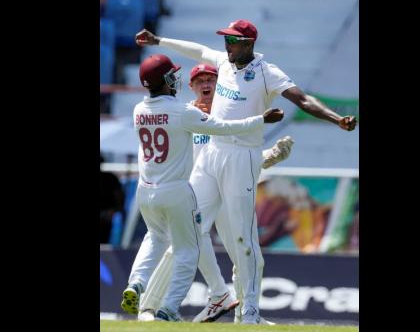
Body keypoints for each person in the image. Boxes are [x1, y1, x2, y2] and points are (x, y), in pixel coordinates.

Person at [134, 19, 356, 324]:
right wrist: (159, 41)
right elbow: (198, 50)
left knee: (243, 239)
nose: (227, 46)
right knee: (189, 229)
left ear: (249, 44)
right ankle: (163, 308)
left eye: (233, 41)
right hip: (212, 153)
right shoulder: (224, 62)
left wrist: (336, 119)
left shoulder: (268, 73)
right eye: (226, 40)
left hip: (242, 157)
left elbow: (302, 99)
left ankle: (249, 312)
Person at [121, 54, 284, 322]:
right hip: (190, 190)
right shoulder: (185, 112)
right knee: (187, 248)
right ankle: (162, 308)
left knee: (238, 250)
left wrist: (267, 157)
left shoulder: (141, 109)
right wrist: (260, 120)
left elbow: (232, 156)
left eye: (211, 78)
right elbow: (219, 134)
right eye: (200, 80)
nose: (205, 84)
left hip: (162, 189)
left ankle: (243, 311)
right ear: (191, 86)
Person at [100, 154, 125, 244]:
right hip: (107, 214)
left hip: (107, 216)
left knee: (104, 242)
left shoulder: (111, 178)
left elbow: (119, 195)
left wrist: (115, 210)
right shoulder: (111, 177)